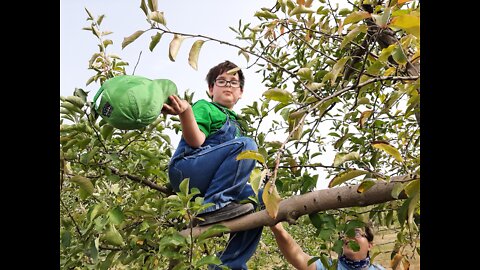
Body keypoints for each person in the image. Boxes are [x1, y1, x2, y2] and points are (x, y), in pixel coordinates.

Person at [162, 60, 262, 270]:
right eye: (221, 81)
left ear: (241, 92)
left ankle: (227, 265)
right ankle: (214, 207)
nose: (227, 85)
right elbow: (196, 140)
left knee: (259, 199)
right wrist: (186, 112)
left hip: (213, 183)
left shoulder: (237, 123)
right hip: (188, 170)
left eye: (233, 82)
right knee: (247, 146)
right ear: (210, 89)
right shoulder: (205, 107)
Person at [270, 222, 385, 270]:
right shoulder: (329, 266)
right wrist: (278, 230)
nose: (348, 237)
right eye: (344, 234)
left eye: (356, 233)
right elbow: (299, 258)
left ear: (370, 245)